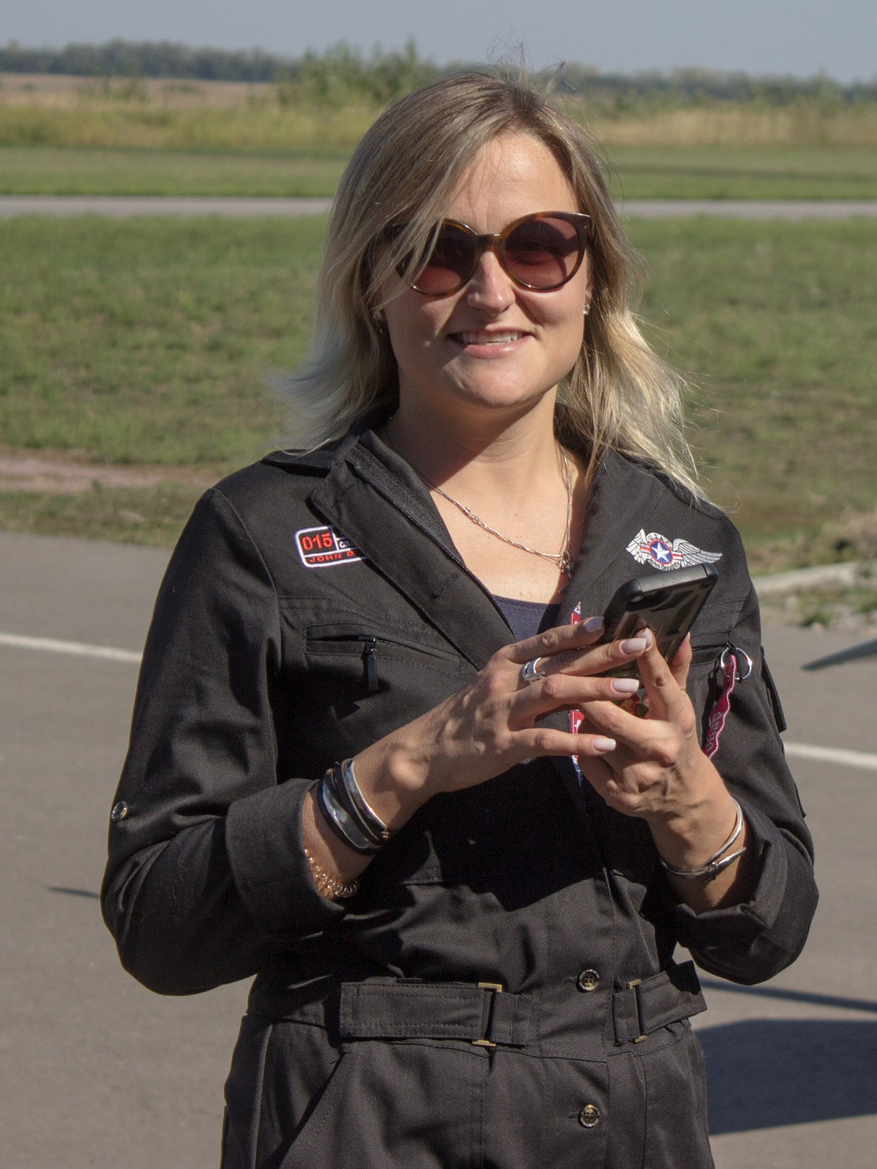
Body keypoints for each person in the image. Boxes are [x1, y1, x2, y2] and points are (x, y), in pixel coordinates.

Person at [102, 71, 816, 1168]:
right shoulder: (261, 533)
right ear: (372, 285)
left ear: (593, 278)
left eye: (538, 247)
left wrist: (686, 798)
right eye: (439, 251)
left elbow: (767, 929)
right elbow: (160, 920)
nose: (492, 292)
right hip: (368, 1114)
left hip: (628, 1110)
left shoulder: (681, 543)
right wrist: (404, 769)